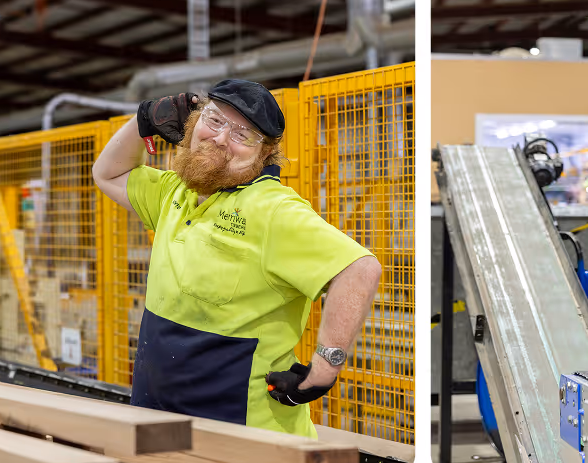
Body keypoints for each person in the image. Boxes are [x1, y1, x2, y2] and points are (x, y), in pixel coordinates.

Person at [92, 80, 382, 434]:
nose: (220, 138)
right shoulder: (176, 192)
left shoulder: (273, 210)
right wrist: (143, 121)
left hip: (241, 432)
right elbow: (107, 173)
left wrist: (324, 369)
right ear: (192, 121)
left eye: (243, 135)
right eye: (213, 120)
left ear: (265, 153)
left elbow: (359, 269)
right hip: (161, 415)